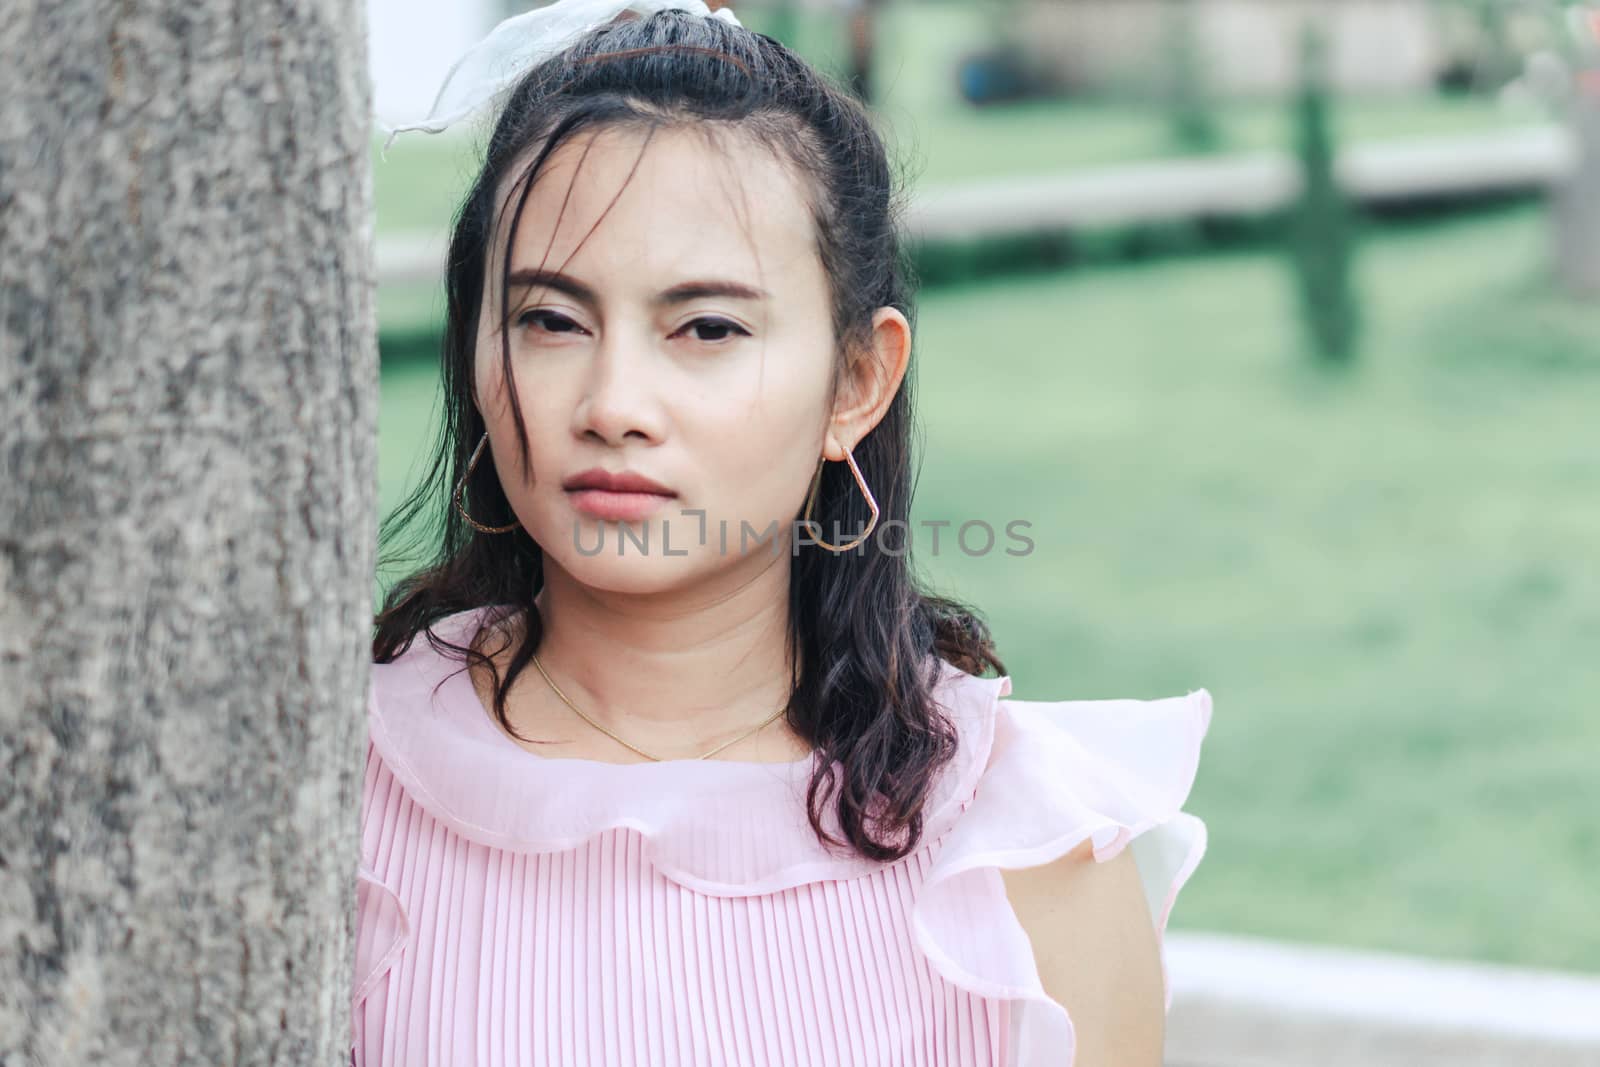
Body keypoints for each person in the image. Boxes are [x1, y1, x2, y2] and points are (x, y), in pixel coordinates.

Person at [356, 2, 1213, 1064]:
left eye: (707, 327)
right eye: (551, 320)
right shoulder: (344, 783)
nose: (613, 401)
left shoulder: (1025, 851)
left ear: (858, 379)